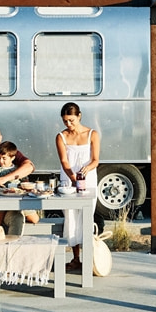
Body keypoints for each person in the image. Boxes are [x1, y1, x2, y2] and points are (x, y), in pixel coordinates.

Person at [54, 102, 99, 271]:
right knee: (71, 218)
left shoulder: (92, 134)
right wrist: (73, 178)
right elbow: (64, 161)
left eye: (71, 120)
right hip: (69, 180)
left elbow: (96, 159)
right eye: (65, 121)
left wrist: (88, 168)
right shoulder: (61, 136)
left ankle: (88, 258)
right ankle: (76, 258)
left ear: (79, 116)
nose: (68, 124)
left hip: (89, 179)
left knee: (86, 217)